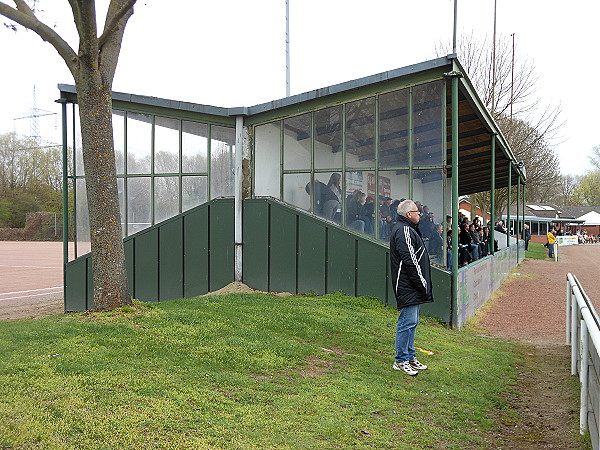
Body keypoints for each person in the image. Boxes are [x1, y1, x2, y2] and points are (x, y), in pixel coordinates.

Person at [390, 199, 434, 376]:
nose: (419, 214)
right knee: (406, 322)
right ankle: (400, 360)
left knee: (412, 322)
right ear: (408, 214)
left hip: (412, 284)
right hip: (407, 284)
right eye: (417, 212)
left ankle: (409, 356)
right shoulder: (404, 230)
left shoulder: (409, 229)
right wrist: (421, 282)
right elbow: (410, 260)